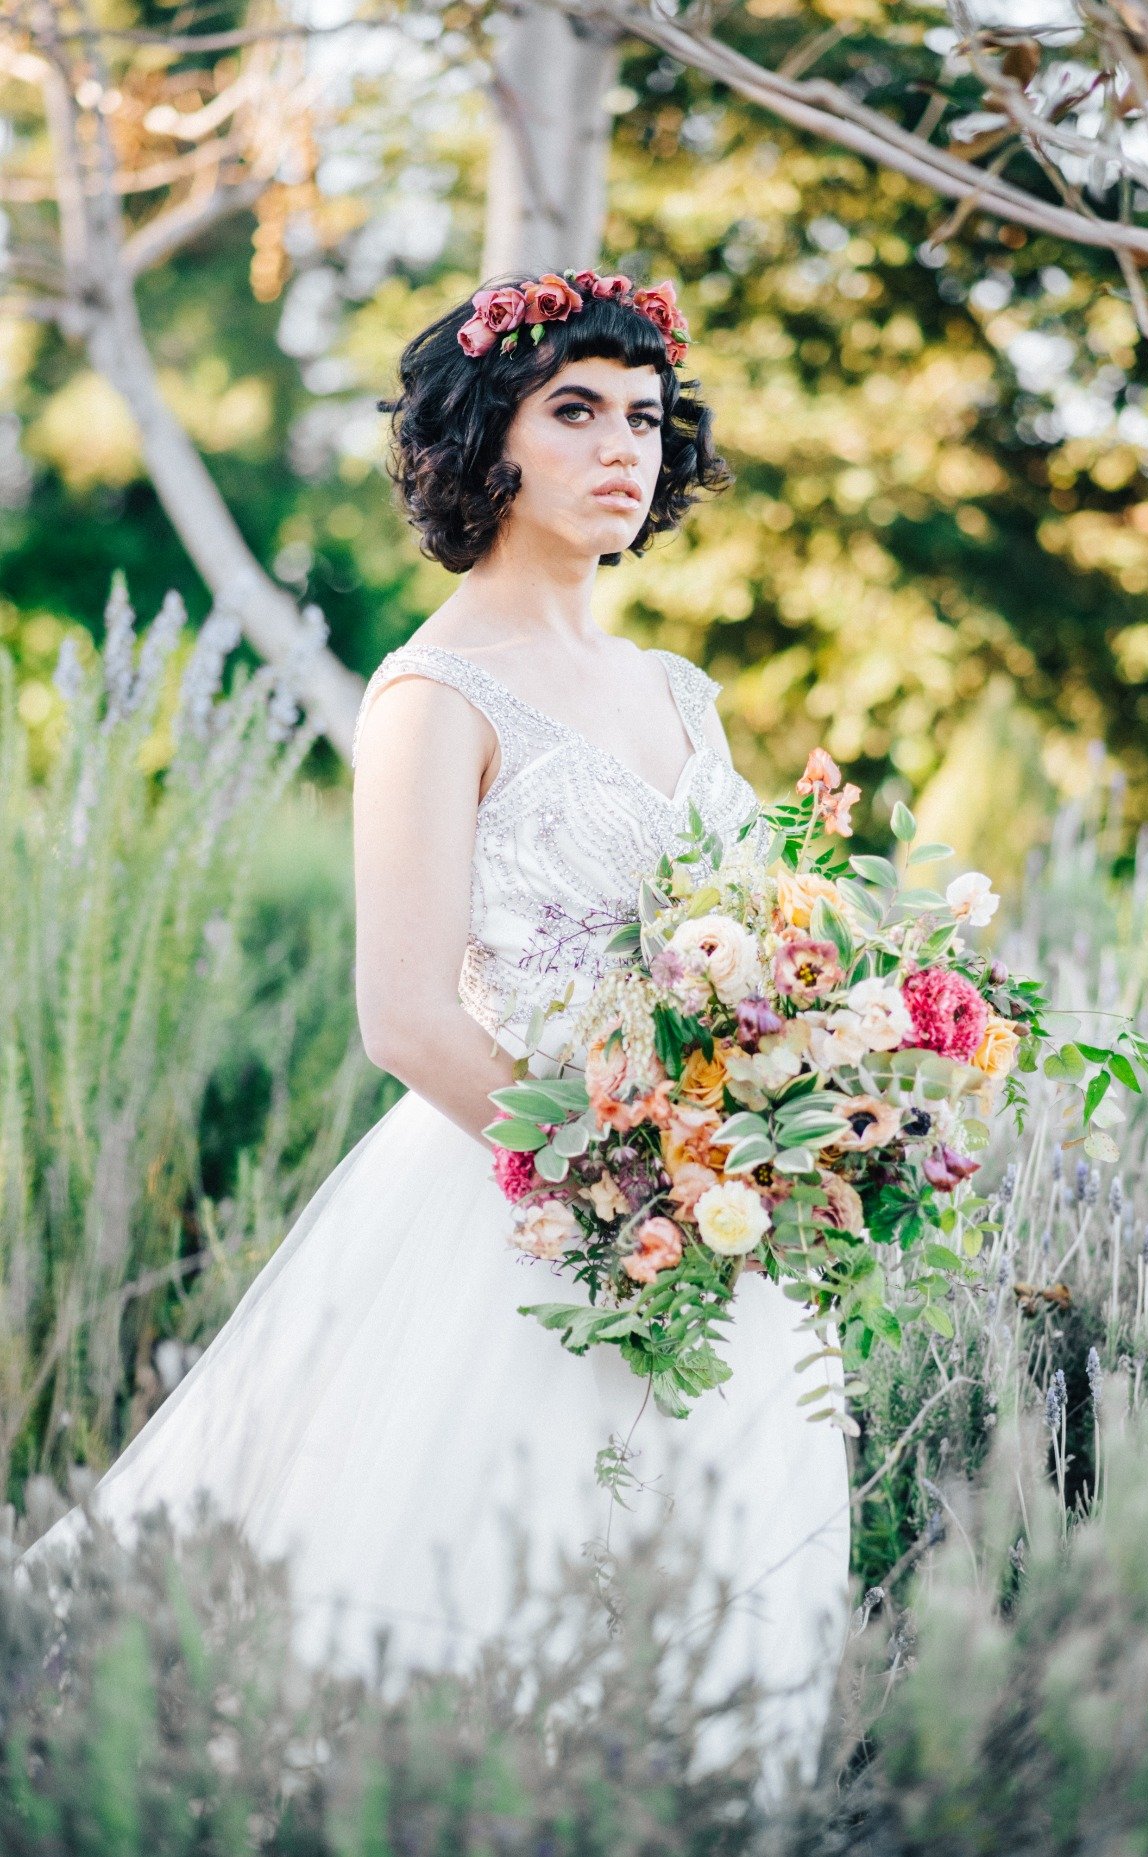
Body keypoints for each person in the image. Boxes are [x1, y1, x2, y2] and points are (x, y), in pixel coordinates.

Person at [19, 268, 851, 1766]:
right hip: (519, 1207)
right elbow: (403, 1014)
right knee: (480, 1625)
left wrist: (792, 1096)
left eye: (647, 419)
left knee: (701, 1630)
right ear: (490, 441)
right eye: (576, 411)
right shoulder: (432, 692)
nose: (624, 448)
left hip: (715, 1218)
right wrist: (619, 1182)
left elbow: (751, 948)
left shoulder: (680, 691)